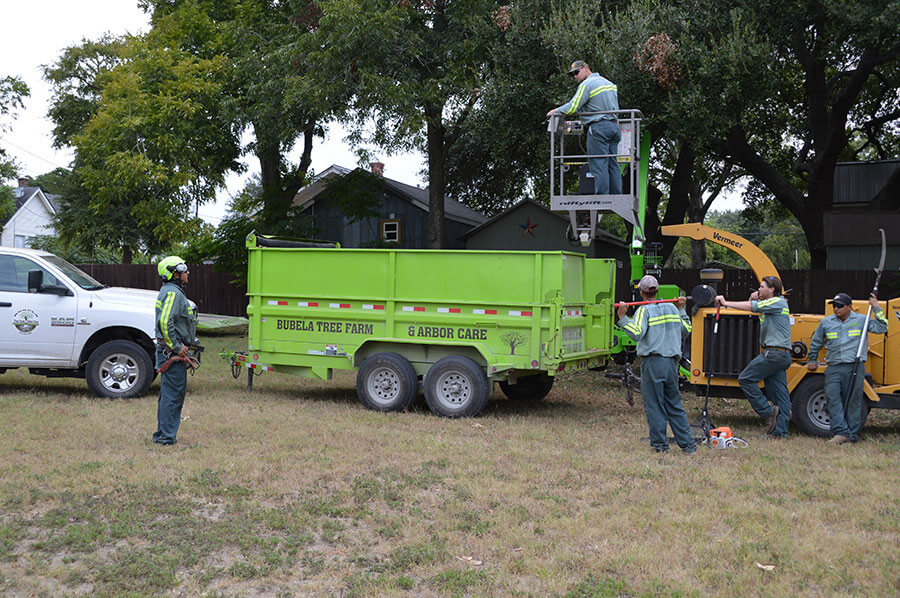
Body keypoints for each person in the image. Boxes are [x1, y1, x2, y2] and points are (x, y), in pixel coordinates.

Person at [617, 275, 696, 454]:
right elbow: (686, 330)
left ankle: (660, 446)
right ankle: (688, 446)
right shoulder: (672, 308)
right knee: (674, 405)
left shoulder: (644, 310)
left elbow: (636, 333)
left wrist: (622, 318)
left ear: (641, 292)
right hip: (671, 364)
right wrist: (682, 309)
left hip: (653, 363)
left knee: (654, 405)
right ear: (658, 290)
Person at [807, 292, 888, 444]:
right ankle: (840, 432)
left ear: (849, 307)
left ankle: (851, 434)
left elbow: (883, 327)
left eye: (840, 306)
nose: (836, 309)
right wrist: (812, 359)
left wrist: (877, 308)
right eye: (834, 306)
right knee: (832, 398)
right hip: (834, 367)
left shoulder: (861, 320)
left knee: (853, 400)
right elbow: (816, 341)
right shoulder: (826, 322)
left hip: (854, 367)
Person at [715, 276, 791, 438]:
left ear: (771, 289)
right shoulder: (771, 305)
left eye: (761, 286)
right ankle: (779, 432)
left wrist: (725, 302)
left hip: (774, 354)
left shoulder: (777, 302)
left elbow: (751, 307)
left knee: (746, 379)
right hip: (780, 355)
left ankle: (767, 412)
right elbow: (752, 305)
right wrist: (752, 298)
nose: (758, 289)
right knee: (780, 395)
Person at [546, 60, 622, 195]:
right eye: (572, 75)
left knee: (599, 164)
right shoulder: (609, 84)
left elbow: (573, 106)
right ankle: (616, 195)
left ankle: (602, 198)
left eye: (576, 72)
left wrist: (555, 111)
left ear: (586, 68)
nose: (575, 76)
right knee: (613, 164)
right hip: (614, 128)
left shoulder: (587, 84)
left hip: (598, 128)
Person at [152, 256, 197, 446]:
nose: (188, 273)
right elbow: (164, 321)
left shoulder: (171, 291)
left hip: (169, 351)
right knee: (172, 396)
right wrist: (177, 347)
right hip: (171, 353)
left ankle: (163, 434)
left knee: (169, 395)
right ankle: (165, 438)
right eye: (184, 269)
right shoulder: (173, 293)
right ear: (175, 273)